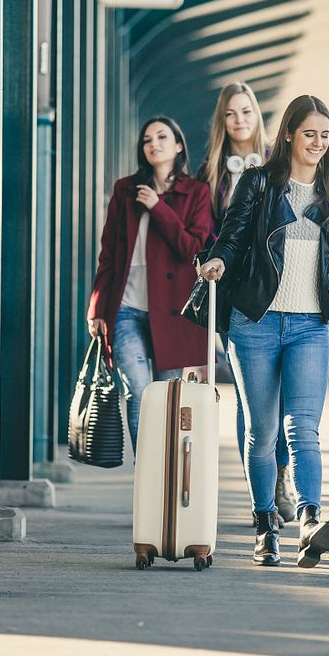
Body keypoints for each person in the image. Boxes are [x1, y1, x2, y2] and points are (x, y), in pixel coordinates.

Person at [201, 95, 329, 569]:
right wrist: (220, 260)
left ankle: (309, 519)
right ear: (288, 134)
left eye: (325, 135)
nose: (318, 143)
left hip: (310, 325)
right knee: (262, 431)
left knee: (303, 428)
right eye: (309, 134)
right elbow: (234, 232)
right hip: (256, 323)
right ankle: (266, 526)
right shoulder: (259, 182)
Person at [197, 81, 296, 525]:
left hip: (281, 291)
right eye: (231, 114)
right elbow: (205, 234)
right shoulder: (211, 174)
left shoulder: (280, 163)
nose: (239, 120)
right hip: (235, 297)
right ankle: (264, 493)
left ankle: (281, 477)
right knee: (249, 400)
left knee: (283, 401)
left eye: (246, 111)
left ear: (258, 115)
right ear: (222, 122)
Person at [87, 116, 212, 453]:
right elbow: (109, 253)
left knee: (167, 396)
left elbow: (193, 249)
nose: (153, 144)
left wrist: (158, 208)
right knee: (139, 390)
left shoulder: (196, 193)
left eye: (161, 137)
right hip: (126, 307)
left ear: (178, 145)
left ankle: (166, 470)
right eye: (146, 139)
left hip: (172, 311)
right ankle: (148, 471)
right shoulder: (125, 190)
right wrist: (97, 308)